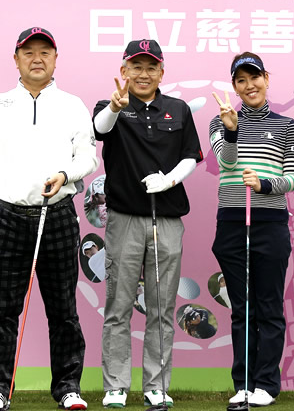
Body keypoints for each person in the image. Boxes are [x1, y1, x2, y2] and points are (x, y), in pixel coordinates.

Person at [0, 27, 97, 411]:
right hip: (9, 219)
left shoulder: (72, 105)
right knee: (2, 310)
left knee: (63, 310)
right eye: (28, 52)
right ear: (16, 59)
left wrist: (65, 174)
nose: (37, 58)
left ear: (55, 58)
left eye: (45, 51)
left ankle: (68, 387)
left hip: (58, 216)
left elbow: (88, 157)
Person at [93, 39, 203, 408]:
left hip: (167, 219)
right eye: (136, 66)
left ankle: (156, 385)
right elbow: (100, 128)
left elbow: (191, 155)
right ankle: (116, 386)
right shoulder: (110, 106)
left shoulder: (177, 109)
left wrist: (170, 179)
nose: (143, 74)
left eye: (151, 67)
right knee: (118, 306)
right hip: (124, 219)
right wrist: (115, 106)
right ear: (124, 70)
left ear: (161, 72)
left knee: (161, 308)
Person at [209, 52, 294, 408]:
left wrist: (264, 184)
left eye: (255, 77)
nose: (250, 85)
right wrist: (232, 130)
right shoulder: (220, 121)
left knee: (269, 306)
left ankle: (266, 384)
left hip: (270, 223)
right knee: (241, 308)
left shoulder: (286, 126)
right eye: (241, 80)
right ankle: (243, 384)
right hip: (232, 223)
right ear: (234, 86)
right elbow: (227, 161)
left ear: (266, 78)